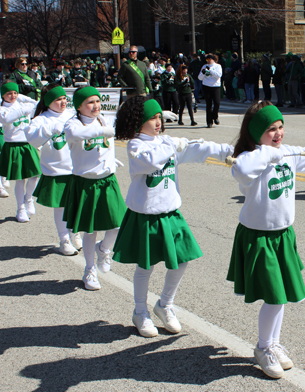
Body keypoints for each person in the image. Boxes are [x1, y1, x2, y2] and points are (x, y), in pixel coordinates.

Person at [226, 100, 305, 379]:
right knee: (275, 298)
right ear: (255, 134)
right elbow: (241, 171)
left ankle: (272, 343)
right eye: (270, 130)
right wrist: (268, 152)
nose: (278, 134)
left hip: (283, 235)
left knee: (280, 298)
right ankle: (264, 347)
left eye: (280, 127)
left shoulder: (287, 153)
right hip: (259, 238)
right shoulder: (249, 159)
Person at [112, 97, 232, 337]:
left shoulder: (167, 141)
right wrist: (173, 145)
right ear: (138, 122)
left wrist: (227, 151)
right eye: (152, 118)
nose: (158, 122)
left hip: (171, 213)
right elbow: (149, 161)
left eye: (159, 117)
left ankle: (165, 304)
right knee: (145, 266)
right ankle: (139, 312)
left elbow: (197, 148)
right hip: (145, 216)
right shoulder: (136, 145)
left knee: (182, 259)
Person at [62, 86, 127, 291]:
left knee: (118, 224)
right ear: (79, 106)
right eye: (90, 102)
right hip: (86, 183)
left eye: (97, 101)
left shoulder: (103, 120)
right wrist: (103, 131)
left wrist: (111, 159)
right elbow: (79, 134)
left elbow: (107, 142)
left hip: (107, 180)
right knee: (91, 231)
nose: (96, 106)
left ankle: (104, 248)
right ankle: (89, 270)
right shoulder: (73, 124)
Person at [25, 84, 82, 255]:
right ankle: (64, 239)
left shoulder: (73, 115)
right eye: (58, 99)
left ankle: (74, 231)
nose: (63, 102)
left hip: (77, 168)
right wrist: (49, 130)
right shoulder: (41, 120)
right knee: (62, 206)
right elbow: (33, 140)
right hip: (57, 170)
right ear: (49, 101)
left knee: (76, 204)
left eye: (64, 98)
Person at [0, 82, 39, 222]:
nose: (13, 96)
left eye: (15, 93)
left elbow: (36, 103)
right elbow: (6, 119)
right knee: (20, 180)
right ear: (3, 95)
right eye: (9, 93)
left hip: (27, 144)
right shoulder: (2, 109)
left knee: (36, 175)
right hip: (13, 146)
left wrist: (23, 99)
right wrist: (24, 109)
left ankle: (28, 198)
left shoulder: (21, 104)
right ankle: (20, 208)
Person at [198, 53, 222, 128]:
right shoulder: (204, 66)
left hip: (215, 86)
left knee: (217, 102)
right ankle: (209, 122)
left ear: (213, 60)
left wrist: (210, 70)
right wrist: (203, 73)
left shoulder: (218, 66)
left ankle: (215, 116)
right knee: (209, 104)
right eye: (207, 59)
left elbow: (219, 75)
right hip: (206, 86)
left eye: (210, 59)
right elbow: (199, 78)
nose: (208, 61)